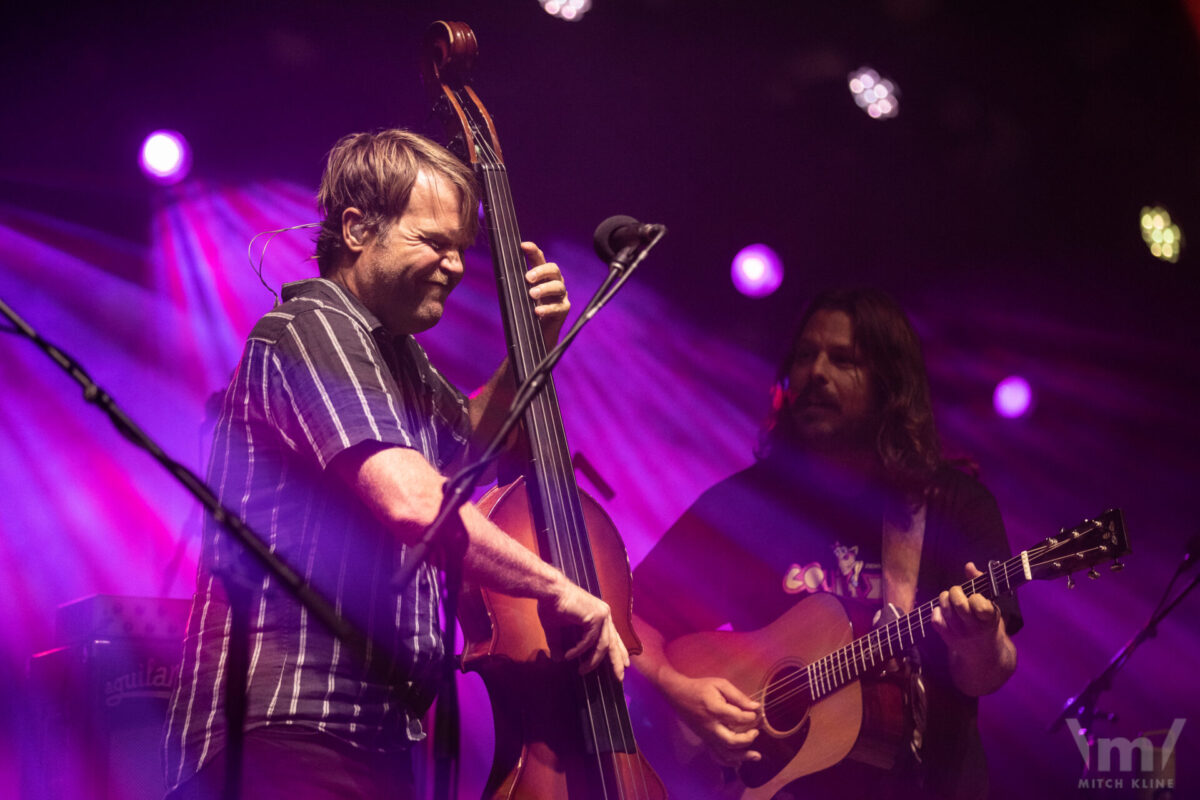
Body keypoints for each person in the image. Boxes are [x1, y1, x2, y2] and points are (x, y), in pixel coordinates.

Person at [162, 129, 628, 799]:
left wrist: (536, 342)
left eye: (461, 249)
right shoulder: (312, 327)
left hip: (362, 738)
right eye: (433, 242)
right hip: (283, 731)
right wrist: (559, 588)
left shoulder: (396, 356)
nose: (457, 265)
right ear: (356, 229)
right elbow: (413, 500)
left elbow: (464, 446)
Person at [631, 288, 1020, 799]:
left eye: (844, 360)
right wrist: (677, 690)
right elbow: (629, 610)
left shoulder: (953, 506)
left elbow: (985, 675)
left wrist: (980, 643)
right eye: (805, 355)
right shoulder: (747, 502)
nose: (816, 373)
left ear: (890, 384)